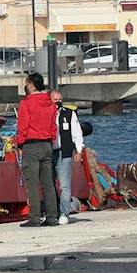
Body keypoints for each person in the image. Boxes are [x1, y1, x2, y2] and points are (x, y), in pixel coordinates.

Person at [14, 72, 59, 226]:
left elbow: (23, 127)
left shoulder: (26, 103)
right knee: (48, 183)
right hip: (47, 144)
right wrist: (51, 140)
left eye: (27, 83)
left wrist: (19, 143)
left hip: (31, 144)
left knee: (32, 183)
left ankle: (34, 217)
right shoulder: (51, 103)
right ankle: (52, 216)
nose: (26, 86)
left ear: (32, 84)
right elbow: (54, 127)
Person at [52, 90, 86, 224]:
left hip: (64, 152)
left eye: (60, 99)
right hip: (49, 152)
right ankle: (52, 211)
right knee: (50, 184)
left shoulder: (69, 114)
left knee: (64, 185)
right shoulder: (45, 114)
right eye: (55, 99)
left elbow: (77, 133)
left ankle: (64, 213)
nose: (58, 102)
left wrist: (79, 150)